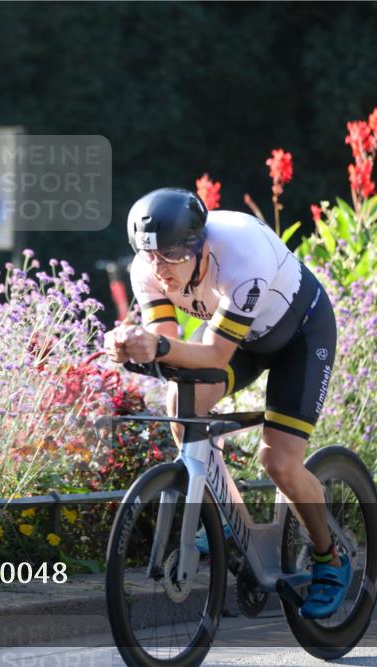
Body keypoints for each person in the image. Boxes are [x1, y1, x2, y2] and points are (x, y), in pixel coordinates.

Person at [102, 187, 350, 619]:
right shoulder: (147, 267)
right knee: (183, 402)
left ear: (199, 246)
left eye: (172, 255)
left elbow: (214, 355)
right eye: (152, 255)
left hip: (299, 337)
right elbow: (169, 346)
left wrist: (157, 346)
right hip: (241, 340)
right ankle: (224, 517)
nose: (160, 268)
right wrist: (129, 345)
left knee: (279, 462)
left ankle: (329, 559)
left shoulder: (240, 252)